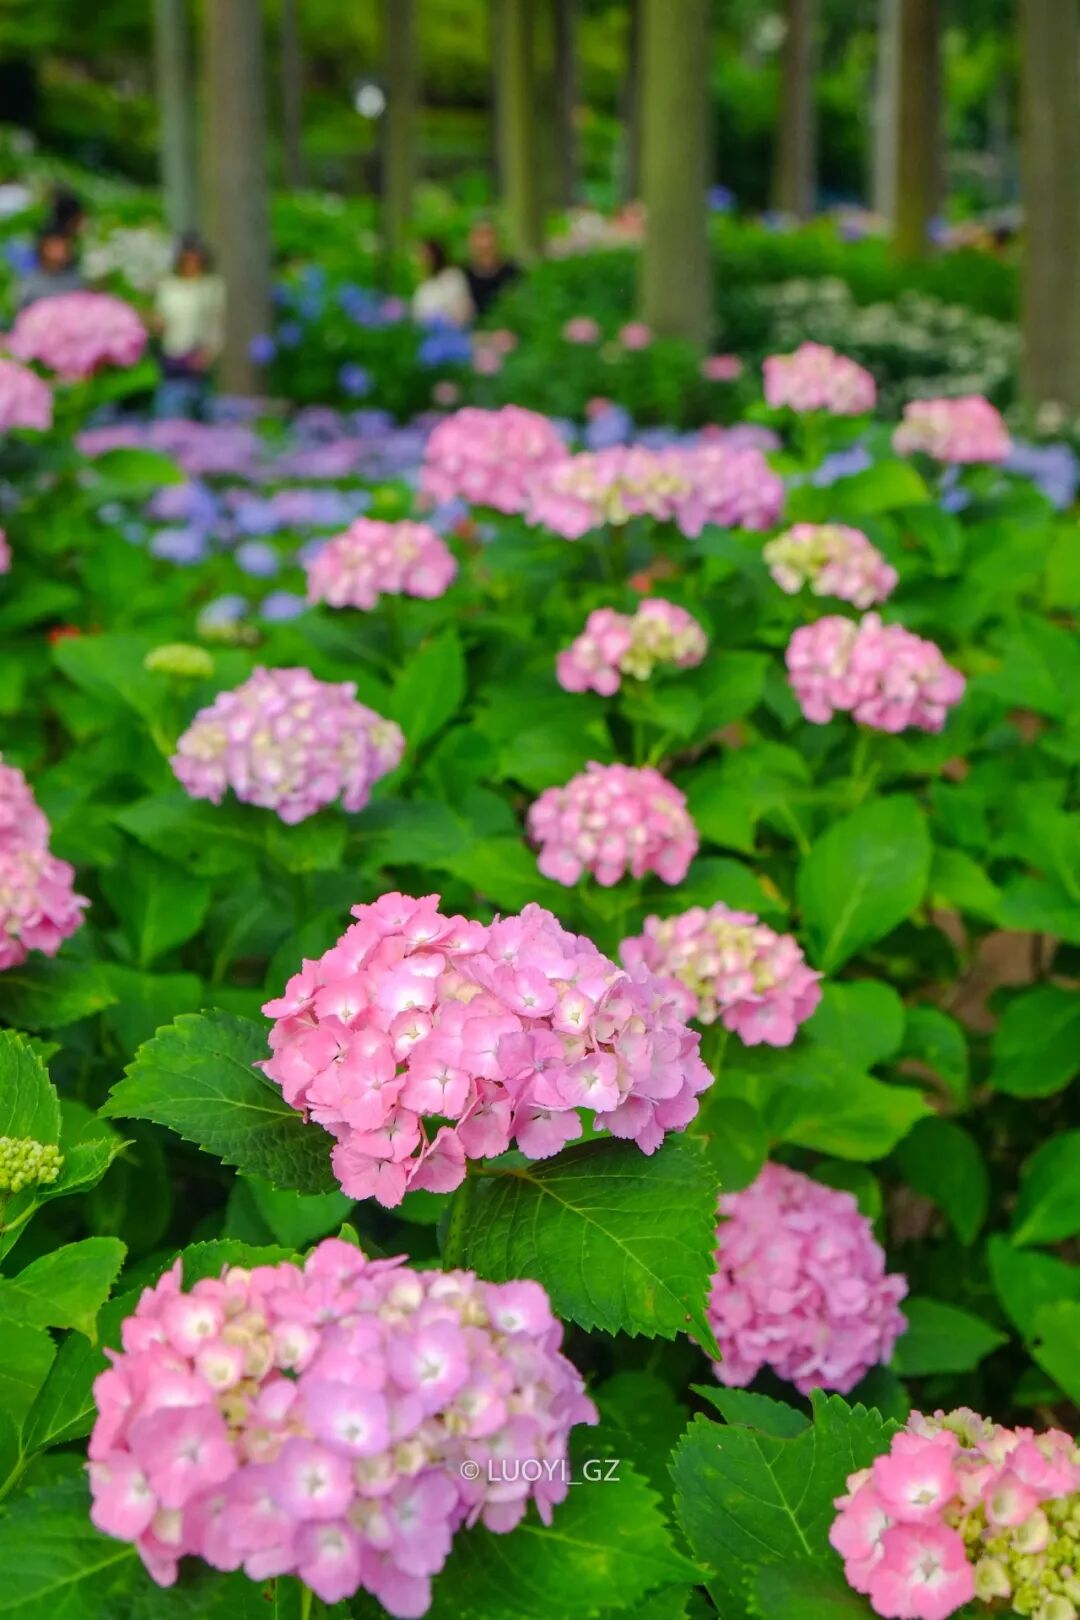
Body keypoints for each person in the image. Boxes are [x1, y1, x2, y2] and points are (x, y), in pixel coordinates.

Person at [152, 233, 226, 419]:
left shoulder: (211, 286)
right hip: (172, 356)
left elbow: (216, 323)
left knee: (200, 416)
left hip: (197, 357)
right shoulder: (168, 286)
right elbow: (161, 320)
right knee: (170, 413)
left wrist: (210, 353)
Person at [16, 224, 85, 309]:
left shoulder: (76, 280)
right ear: (42, 248)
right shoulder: (31, 286)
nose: (61, 249)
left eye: (64, 244)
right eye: (55, 245)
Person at [463, 218, 520, 320]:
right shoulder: (462, 275)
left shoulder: (513, 272)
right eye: (480, 236)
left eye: (489, 235)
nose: (486, 243)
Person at [412, 239, 474, 328]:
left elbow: (462, 310)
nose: (422, 260)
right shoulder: (425, 286)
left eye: (426, 255)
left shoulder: (452, 277)